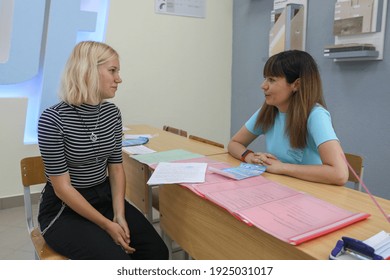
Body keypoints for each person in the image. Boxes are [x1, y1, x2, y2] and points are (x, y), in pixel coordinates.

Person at [37, 41, 168, 260]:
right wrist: (107, 225)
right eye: (112, 71)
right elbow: (62, 188)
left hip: (104, 197)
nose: (119, 79)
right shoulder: (53, 119)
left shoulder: (111, 113)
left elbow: (116, 167)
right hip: (65, 208)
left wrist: (119, 214)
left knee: (156, 252)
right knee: (116, 260)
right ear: (87, 71)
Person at [228, 50, 348, 186]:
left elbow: (339, 174)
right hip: (281, 187)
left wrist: (281, 167)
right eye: (265, 78)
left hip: (311, 194)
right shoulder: (269, 110)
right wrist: (250, 157)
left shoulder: (316, 115)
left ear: (296, 85)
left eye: (271, 80)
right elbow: (234, 143)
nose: (263, 86)